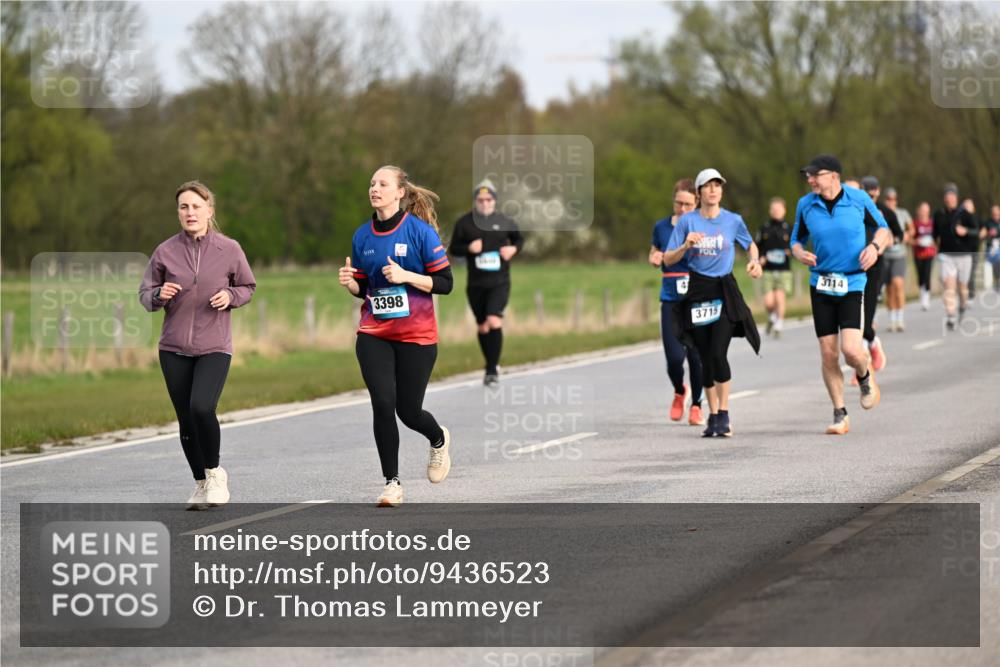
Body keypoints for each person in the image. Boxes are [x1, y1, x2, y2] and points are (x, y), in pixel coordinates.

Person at [339, 166, 454, 508]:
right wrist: (352, 284)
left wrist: (407, 276)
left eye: (382, 184)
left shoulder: (420, 233)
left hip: (417, 336)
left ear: (399, 192)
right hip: (374, 332)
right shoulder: (362, 236)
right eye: (372, 183)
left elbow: (445, 283)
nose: (374, 188)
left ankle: (438, 438)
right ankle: (392, 483)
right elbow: (365, 288)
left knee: (408, 411)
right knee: (382, 403)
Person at [139, 181, 256, 509]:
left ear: (209, 211)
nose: (190, 212)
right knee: (185, 419)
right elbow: (145, 297)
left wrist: (231, 296)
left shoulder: (229, 249)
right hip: (173, 348)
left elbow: (248, 285)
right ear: (178, 213)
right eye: (183, 207)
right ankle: (201, 483)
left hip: (214, 345)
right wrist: (158, 295)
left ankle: (216, 473)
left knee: (201, 407)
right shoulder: (165, 251)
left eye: (195, 206)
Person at [792, 155, 891, 435]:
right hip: (821, 284)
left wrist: (874, 247)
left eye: (815, 175)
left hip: (852, 282)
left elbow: (883, 229)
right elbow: (795, 241)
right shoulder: (805, 204)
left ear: (833, 175)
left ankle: (864, 374)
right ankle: (839, 413)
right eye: (807, 176)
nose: (810, 180)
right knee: (827, 353)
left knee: (851, 350)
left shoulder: (858, 199)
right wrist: (800, 253)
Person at [662, 168, 762, 438]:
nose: (713, 190)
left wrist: (755, 261)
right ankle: (714, 414)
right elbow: (667, 259)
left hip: (724, 289)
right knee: (705, 357)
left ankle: (725, 413)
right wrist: (685, 246)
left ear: (721, 191)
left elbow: (750, 245)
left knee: (718, 353)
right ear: (699, 192)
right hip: (697, 290)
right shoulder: (687, 222)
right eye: (707, 186)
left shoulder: (732, 220)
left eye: (717, 185)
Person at [448, 179, 524, 386]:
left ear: (494, 201)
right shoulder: (464, 223)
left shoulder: (505, 221)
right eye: (480, 200)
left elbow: (519, 239)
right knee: (482, 326)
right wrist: (468, 249)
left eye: (488, 199)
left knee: (493, 320)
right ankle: (490, 363)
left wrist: (513, 250)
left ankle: (492, 370)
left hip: (499, 281)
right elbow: (453, 248)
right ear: (475, 201)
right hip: (476, 283)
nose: (484, 203)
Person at [649, 178, 705, 426]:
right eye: (678, 203)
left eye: (687, 204)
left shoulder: (703, 227)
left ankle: (696, 405)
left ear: (697, 203)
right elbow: (654, 251)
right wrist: (654, 257)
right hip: (671, 299)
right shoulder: (661, 227)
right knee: (674, 358)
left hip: (696, 299)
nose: (682, 209)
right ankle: (680, 391)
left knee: (695, 356)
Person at [859, 176, 900, 367]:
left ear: (878, 191)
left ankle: (869, 347)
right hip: (853, 266)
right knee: (853, 322)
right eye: (866, 189)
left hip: (875, 267)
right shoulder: (855, 209)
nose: (870, 193)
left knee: (866, 320)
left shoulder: (885, 212)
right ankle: (865, 353)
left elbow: (898, 234)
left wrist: (889, 241)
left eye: (873, 190)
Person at [933, 183, 978, 330]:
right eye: (946, 196)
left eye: (951, 195)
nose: (949, 198)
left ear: (956, 197)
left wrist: (965, 231)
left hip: (964, 254)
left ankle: (963, 306)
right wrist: (937, 247)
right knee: (948, 284)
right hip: (947, 255)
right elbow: (935, 234)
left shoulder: (965, 214)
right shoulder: (939, 214)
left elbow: (976, 231)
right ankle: (951, 315)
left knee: (962, 286)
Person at [756, 197, 793, 338]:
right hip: (768, 270)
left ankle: (779, 325)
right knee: (769, 302)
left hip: (783, 269)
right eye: (774, 209)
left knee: (780, 297)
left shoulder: (788, 228)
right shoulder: (764, 228)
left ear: (784, 210)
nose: (776, 211)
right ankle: (772, 317)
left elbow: (795, 246)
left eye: (779, 209)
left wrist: (791, 251)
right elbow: (757, 247)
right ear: (770, 211)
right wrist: (760, 258)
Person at [879, 185, 910, 331]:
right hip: (885, 255)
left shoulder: (902, 213)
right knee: (889, 289)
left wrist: (905, 237)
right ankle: (892, 320)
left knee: (898, 284)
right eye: (888, 199)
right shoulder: (880, 213)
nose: (891, 202)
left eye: (893, 199)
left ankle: (900, 318)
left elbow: (911, 230)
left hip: (899, 255)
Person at [907, 201, 937, 310]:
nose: (924, 213)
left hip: (929, 253)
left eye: (926, 210)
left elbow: (936, 239)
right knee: (920, 275)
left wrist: (935, 244)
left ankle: (926, 298)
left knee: (927, 274)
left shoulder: (932, 223)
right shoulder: (915, 224)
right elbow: (909, 240)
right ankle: (922, 293)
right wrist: (917, 242)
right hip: (918, 253)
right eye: (923, 210)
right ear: (919, 211)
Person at [986, 204, 1000, 292]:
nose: (996, 216)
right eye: (994, 214)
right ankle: (997, 281)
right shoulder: (988, 223)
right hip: (992, 248)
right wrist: (989, 234)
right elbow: (983, 233)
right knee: (996, 264)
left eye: (997, 214)